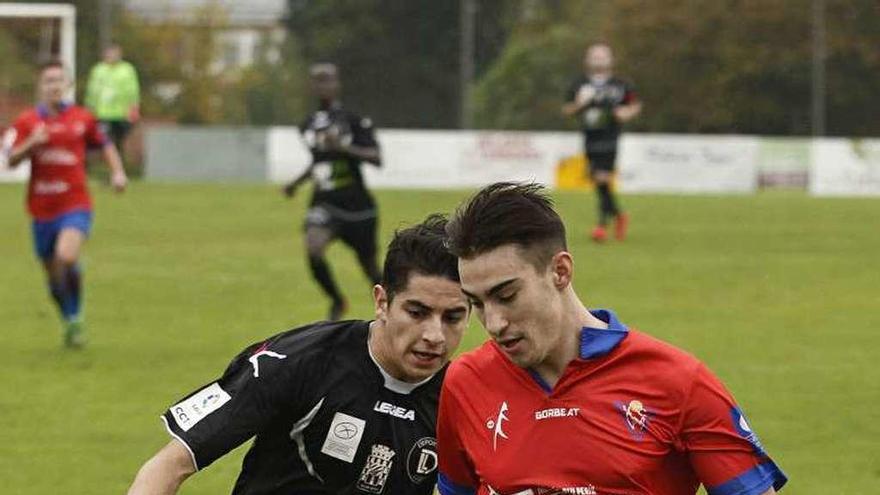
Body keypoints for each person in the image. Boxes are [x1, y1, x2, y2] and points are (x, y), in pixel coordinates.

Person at [436, 183, 787, 495]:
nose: (494, 323)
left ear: (560, 271)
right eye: (476, 303)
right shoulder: (464, 383)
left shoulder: (678, 382)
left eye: (507, 295)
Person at [127, 215, 469, 495]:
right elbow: (169, 467)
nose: (434, 336)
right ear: (382, 302)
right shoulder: (301, 360)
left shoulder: (465, 400)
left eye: (452, 317)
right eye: (417, 312)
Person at [8, 59, 128, 347]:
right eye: (48, 81)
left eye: (59, 80)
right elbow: (10, 160)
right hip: (41, 210)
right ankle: (71, 320)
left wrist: (118, 172)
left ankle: (75, 314)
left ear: (67, 85)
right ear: (41, 86)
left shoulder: (82, 118)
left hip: (75, 204)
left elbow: (105, 145)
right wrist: (32, 143)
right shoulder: (27, 122)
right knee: (53, 277)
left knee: (66, 256)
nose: (54, 86)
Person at [282, 63, 382, 321]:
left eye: (327, 80)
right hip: (324, 203)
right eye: (317, 80)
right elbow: (319, 161)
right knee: (313, 247)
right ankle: (337, 301)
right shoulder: (307, 125)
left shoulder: (353, 120)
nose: (322, 85)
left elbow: (376, 158)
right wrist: (296, 183)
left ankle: (390, 308)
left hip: (357, 206)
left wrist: (344, 148)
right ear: (311, 86)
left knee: (370, 268)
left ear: (337, 84)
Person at [562, 43, 641, 243]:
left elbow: (634, 105)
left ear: (611, 60)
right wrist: (580, 105)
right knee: (598, 180)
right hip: (589, 137)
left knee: (603, 177)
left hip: (610, 136)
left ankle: (601, 226)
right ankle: (618, 215)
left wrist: (625, 113)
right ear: (587, 60)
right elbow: (567, 109)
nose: (598, 60)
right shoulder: (579, 84)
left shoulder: (620, 84)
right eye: (594, 56)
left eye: (602, 56)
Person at [85, 42, 140, 162]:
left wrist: (134, 108)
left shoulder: (127, 69)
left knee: (119, 143)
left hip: (122, 114)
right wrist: (90, 108)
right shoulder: (98, 70)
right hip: (103, 114)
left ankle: (118, 170)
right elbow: (92, 91)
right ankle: (109, 169)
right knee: (106, 142)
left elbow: (133, 90)